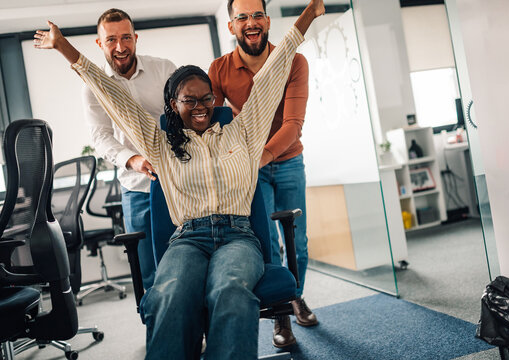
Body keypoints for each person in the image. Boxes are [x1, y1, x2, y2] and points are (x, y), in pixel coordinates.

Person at [34, 0, 324, 358]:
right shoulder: (158, 143)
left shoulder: (244, 131)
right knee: (168, 293)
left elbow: (273, 72)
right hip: (188, 238)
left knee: (230, 290)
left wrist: (307, 15)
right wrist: (65, 48)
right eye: (190, 100)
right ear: (173, 104)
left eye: (207, 98)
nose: (201, 105)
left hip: (238, 235)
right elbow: (111, 97)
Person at [208, 0, 316, 348]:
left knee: (296, 241)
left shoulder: (293, 61)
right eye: (242, 17)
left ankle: (295, 295)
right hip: (249, 168)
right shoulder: (220, 69)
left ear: (267, 20)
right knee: (267, 241)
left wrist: (262, 155)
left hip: (287, 161)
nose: (250, 23)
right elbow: (214, 123)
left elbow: (293, 125)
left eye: (257, 15)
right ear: (231, 26)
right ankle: (281, 316)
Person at [82, 8, 176, 290]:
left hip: (176, 182)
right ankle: (159, 332)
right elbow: (100, 135)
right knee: (149, 273)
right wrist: (132, 159)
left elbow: (184, 117)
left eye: (126, 38)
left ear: (136, 38)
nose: (120, 47)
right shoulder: (93, 86)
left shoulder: (164, 70)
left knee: (187, 259)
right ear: (100, 44)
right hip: (136, 188)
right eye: (111, 40)